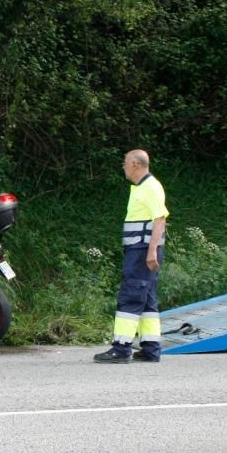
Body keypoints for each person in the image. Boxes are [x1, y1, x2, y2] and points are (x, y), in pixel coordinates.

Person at [94, 149, 169, 364]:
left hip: (141, 251)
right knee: (147, 300)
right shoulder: (143, 187)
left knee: (131, 296)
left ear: (136, 165)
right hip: (141, 250)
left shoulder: (150, 187)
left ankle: (121, 348)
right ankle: (151, 348)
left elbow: (160, 219)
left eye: (125, 163)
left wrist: (152, 250)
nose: (123, 167)